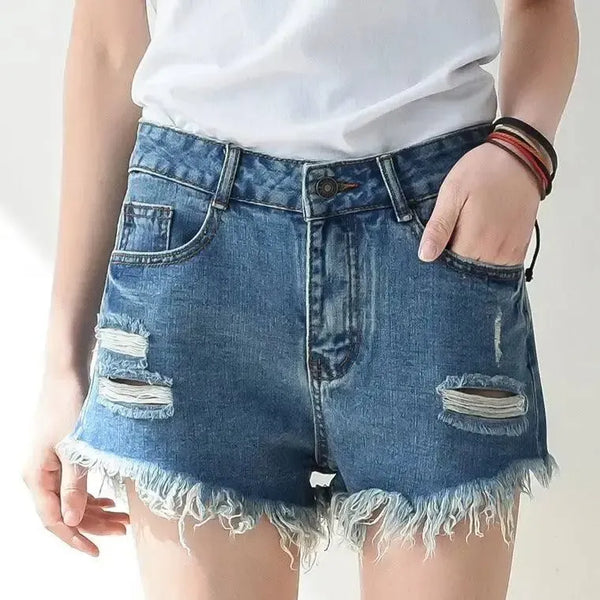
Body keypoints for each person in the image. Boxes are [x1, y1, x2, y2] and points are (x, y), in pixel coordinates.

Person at [23, 1, 578, 598]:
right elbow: (107, 47)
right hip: (196, 268)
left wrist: (523, 152)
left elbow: (541, 6)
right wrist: (63, 367)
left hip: (431, 241)